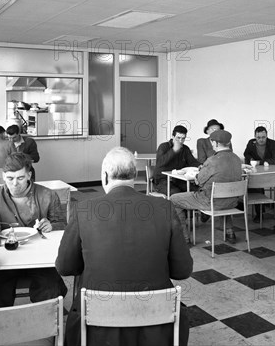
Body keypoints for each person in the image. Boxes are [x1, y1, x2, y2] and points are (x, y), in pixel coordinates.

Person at [56, 147, 193, 346]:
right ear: (135, 175)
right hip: (156, 323)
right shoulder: (165, 208)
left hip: (97, 326)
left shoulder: (83, 209)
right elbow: (182, 271)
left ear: (104, 176)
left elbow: (65, 267)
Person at [0, 153, 67, 308]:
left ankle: (48, 326)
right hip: (6, 258)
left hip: (40, 258)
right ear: (3, 176)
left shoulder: (48, 195)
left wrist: (53, 225)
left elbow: (62, 224)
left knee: (51, 291)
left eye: (20, 178)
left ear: (29, 175)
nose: (15, 183)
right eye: (10, 178)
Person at [172, 129, 242, 244]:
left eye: (212, 142)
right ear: (228, 143)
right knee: (224, 194)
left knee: (174, 199)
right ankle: (230, 232)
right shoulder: (237, 159)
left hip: (211, 202)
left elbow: (199, 181)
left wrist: (200, 172)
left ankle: (184, 238)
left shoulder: (212, 161)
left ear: (216, 143)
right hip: (232, 202)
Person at [153, 125, 201, 194]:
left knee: (196, 190)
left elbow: (192, 162)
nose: (180, 141)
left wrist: (200, 166)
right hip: (162, 180)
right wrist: (174, 150)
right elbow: (160, 163)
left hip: (178, 179)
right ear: (173, 137)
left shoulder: (185, 148)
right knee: (176, 193)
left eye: (183, 138)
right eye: (178, 138)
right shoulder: (163, 146)